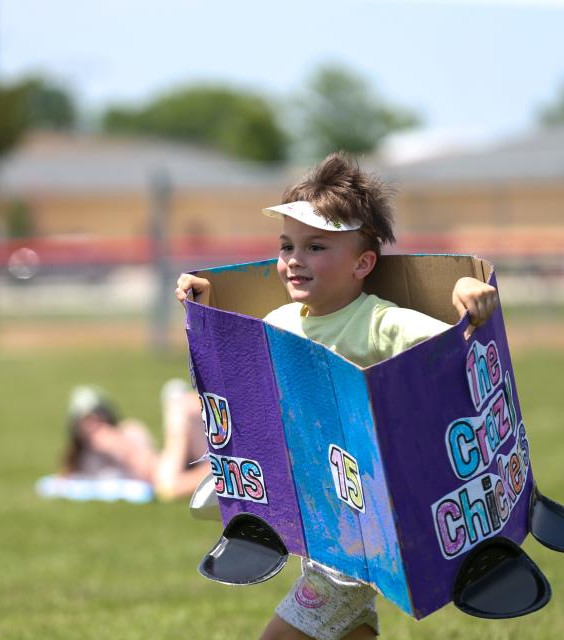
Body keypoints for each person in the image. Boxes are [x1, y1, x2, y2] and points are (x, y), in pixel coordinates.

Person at [174, 152, 499, 640]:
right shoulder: (279, 323)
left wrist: (471, 292)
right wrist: (207, 308)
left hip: (361, 536)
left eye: (316, 247)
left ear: (363, 263)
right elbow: (239, 381)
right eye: (287, 246)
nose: (294, 260)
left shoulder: (381, 323)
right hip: (318, 530)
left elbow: (459, 346)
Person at [61, 381, 209, 500]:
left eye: (96, 417)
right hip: (169, 470)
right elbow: (68, 476)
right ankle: (220, 471)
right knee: (168, 486)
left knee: (169, 486)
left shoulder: (128, 430)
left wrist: (114, 446)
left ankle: (220, 471)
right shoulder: (88, 458)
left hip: (165, 468)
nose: (92, 426)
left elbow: (146, 467)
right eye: (85, 421)